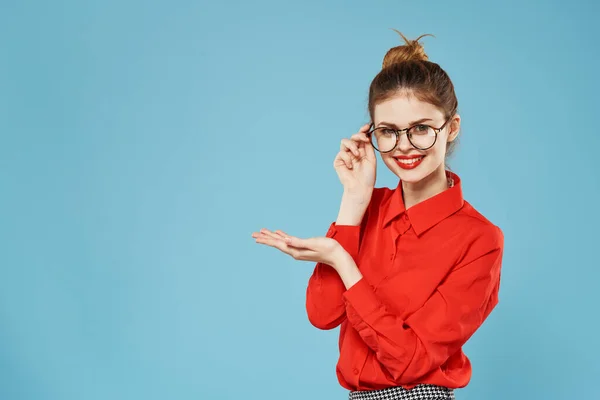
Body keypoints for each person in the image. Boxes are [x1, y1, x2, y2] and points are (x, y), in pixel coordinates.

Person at [251, 31, 504, 400]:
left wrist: (342, 262)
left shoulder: (479, 239)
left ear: (451, 128)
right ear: (371, 134)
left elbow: (411, 362)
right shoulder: (367, 208)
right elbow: (322, 315)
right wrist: (353, 201)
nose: (404, 146)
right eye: (388, 132)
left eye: (421, 128)